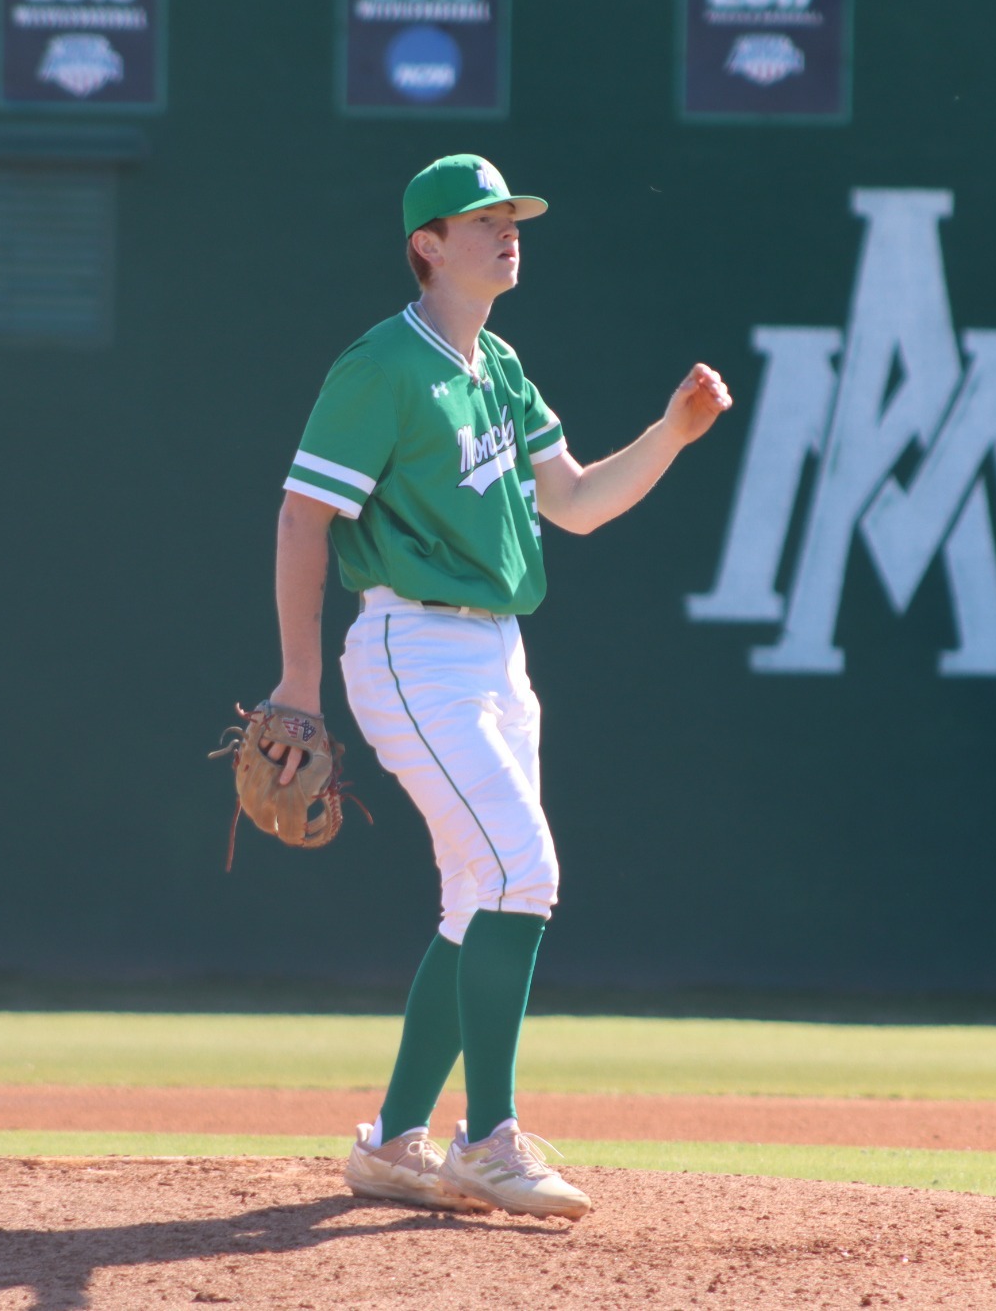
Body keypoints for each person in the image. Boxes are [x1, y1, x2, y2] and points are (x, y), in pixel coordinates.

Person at [266, 154, 732, 1219]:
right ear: (426, 243)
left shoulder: (498, 367)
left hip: (495, 653)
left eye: (511, 216)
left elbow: (573, 502)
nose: (506, 230)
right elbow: (304, 516)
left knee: (479, 893)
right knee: (523, 867)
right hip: (408, 645)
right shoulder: (382, 365)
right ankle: (487, 1139)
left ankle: (391, 1142)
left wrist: (670, 432)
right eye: (480, 219)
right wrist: (299, 680)